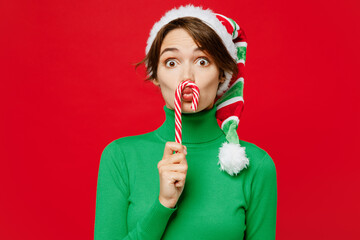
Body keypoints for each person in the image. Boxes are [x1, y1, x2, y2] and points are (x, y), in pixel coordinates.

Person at [94, 5, 277, 240]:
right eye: (171, 62)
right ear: (155, 75)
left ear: (223, 74)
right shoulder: (120, 157)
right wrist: (164, 204)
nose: (187, 77)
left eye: (202, 61)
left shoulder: (256, 165)